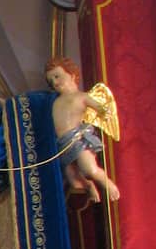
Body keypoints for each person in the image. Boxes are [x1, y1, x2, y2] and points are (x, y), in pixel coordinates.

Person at [45, 56, 121, 204]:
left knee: (89, 170)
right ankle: (89, 186)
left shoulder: (82, 97)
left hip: (77, 139)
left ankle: (107, 183)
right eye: (51, 80)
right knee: (73, 179)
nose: (54, 82)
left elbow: (100, 107)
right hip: (62, 143)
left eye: (57, 76)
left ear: (72, 75)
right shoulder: (54, 101)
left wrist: (104, 111)